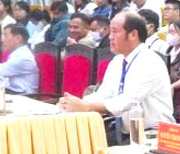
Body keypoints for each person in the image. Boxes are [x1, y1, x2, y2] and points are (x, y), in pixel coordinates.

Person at [59, 12, 173, 143]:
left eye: (114, 32)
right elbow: (104, 94)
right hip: (124, 132)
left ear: (133, 34)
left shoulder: (150, 61)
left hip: (154, 135)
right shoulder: (117, 61)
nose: (110, 38)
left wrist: (87, 107)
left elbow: (127, 101)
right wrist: (76, 103)